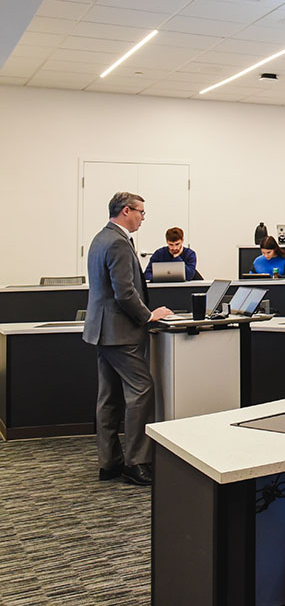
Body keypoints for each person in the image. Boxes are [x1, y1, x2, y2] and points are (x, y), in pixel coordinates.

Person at [82, 192, 173, 487]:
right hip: (121, 331)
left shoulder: (100, 238)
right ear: (125, 211)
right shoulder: (119, 243)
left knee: (108, 397)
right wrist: (148, 316)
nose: (143, 218)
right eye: (141, 213)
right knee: (141, 390)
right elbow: (124, 292)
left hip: (101, 330)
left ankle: (109, 463)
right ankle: (136, 463)